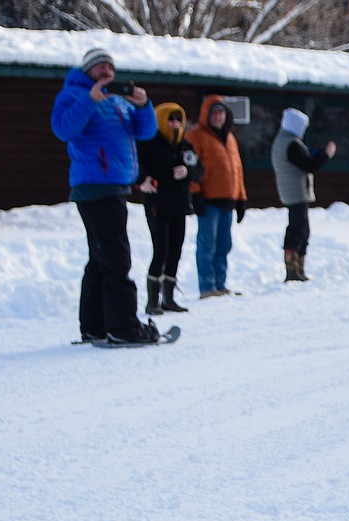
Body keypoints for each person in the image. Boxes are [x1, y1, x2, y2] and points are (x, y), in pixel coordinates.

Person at [50, 47, 160, 343]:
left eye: (110, 67)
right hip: (95, 186)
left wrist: (143, 105)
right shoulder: (74, 95)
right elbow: (63, 129)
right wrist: (89, 101)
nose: (106, 71)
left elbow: (145, 131)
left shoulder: (117, 100)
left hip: (114, 185)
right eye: (100, 67)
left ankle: (95, 326)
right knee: (116, 257)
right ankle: (124, 328)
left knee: (101, 258)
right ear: (87, 71)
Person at [137, 103, 203, 314]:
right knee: (161, 250)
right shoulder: (150, 143)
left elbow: (199, 169)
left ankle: (169, 298)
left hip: (180, 205)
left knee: (175, 250)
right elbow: (136, 165)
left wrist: (188, 171)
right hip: (158, 204)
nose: (174, 124)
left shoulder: (184, 145)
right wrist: (141, 181)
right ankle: (152, 301)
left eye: (178, 120)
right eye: (170, 119)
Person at [185, 95, 247, 299]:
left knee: (224, 244)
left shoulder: (230, 138)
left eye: (221, 113)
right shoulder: (196, 136)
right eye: (214, 113)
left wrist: (241, 198)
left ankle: (220, 283)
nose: (218, 117)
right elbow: (191, 167)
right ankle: (207, 286)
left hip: (227, 201)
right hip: (208, 200)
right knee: (207, 244)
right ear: (206, 115)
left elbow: (237, 170)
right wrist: (195, 194)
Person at [271, 108, 337, 283]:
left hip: (293, 192)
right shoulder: (291, 144)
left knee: (301, 229)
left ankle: (298, 269)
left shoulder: (284, 141)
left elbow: (304, 157)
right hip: (296, 193)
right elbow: (309, 165)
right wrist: (326, 155)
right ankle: (292, 270)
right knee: (297, 230)